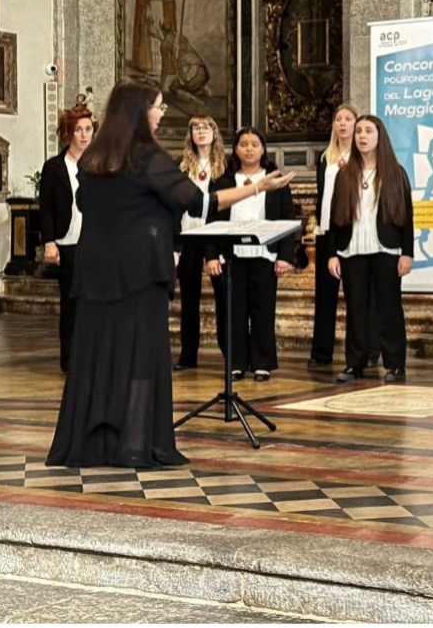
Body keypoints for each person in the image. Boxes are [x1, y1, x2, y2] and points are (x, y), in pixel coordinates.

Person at [46, 80, 295, 468]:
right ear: (139, 111)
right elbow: (200, 203)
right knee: (140, 358)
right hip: (139, 273)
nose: (161, 115)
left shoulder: (95, 155)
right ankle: (134, 444)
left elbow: (86, 202)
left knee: (99, 359)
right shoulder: (147, 156)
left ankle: (94, 444)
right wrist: (257, 187)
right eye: (158, 107)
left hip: (96, 273)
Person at [208, 127, 305, 382]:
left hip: (265, 255)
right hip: (231, 256)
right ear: (235, 149)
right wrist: (211, 256)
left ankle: (262, 363)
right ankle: (236, 363)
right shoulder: (224, 181)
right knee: (233, 312)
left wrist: (285, 256)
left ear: (263, 149)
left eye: (254, 144)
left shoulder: (275, 180)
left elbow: (287, 219)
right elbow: (212, 220)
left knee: (263, 310)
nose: (249, 149)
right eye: (244, 144)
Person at [327, 116, 414, 384]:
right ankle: (355, 363)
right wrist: (332, 254)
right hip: (352, 250)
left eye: (368, 131)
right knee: (356, 308)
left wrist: (407, 253)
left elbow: (407, 216)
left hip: (386, 248)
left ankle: (395, 364)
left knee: (389, 308)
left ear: (380, 136)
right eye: (359, 132)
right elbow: (334, 217)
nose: (362, 136)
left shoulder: (395, 172)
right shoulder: (345, 174)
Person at [39, 105, 95, 373]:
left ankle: (94, 357)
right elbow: (46, 208)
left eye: (88, 129)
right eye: (78, 130)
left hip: (96, 244)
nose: (84, 135)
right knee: (71, 302)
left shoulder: (99, 164)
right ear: (68, 133)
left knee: (95, 302)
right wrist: (49, 242)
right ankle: (70, 359)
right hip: (68, 243)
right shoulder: (54, 167)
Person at [173, 115, 226, 371]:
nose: (200, 132)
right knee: (189, 299)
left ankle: (231, 354)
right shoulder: (182, 166)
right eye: (195, 128)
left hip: (216, 235)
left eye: (205, 127)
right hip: (189, 234)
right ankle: (188, 355)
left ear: (214, 133)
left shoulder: (225, 166)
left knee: (223, 297)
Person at [309, 104, 359, 372]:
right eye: (338, 119)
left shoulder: (360, 156)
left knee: (357, 294)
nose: (342, 123)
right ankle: (321, 351)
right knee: (325, 294)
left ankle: (364, 350)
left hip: (352, 229)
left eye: (348, 119)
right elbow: (322, 195)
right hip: (327, 229)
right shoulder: (325, 157)